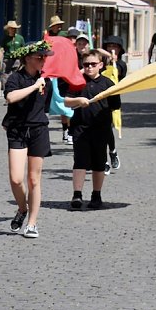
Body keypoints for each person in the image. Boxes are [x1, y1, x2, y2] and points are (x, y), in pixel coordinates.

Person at [1, 40, 55, 239]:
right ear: (27, 58)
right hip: (17, 131)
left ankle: (32, 223)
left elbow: (45, 108)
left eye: (45, 57)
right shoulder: (16, 78)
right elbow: (10, 97)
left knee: (33, 179)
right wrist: (34, 86)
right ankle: (22, 208)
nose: (43, 60)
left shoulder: (47, 82)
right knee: (16, 179)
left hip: (38, 131)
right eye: (40, 56)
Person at [64, 50, 121, 210]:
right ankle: (77, 194)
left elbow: (115, 105)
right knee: (80, 161)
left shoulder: (108, 84)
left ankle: (96, 195)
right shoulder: (77, 82)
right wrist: (78, 100)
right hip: (80, 128)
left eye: (93, 64)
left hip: (101, 129)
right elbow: (66, 101)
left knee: (99, 163)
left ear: (100, 65)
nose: (89, 67)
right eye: (86, 64)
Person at [97, 35, 127, 171]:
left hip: (112, 99)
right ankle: (103, 161)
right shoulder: (99, 62)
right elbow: (95, 50)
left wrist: (112, 61)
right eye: (109, 46)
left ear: (120, 49)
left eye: (115, 46)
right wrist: (107, 56)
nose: (112, 48)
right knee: (98, 129)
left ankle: (112, 151)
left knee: (107, 128)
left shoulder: (121, 64)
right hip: (98, 97)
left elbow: (117, 74)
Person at [0, 20, 25, 88]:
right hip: (7, 60)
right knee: (4, 77)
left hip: (17, 61)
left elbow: (24, 50)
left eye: (15, 28)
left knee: (17, 77)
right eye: (12, 28)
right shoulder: (5, 38)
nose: (14, 30)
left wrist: (23, 61)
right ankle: (6, 90)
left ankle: (15, 90)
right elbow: (1, 50)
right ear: (8, 29)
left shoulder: (20, 38)